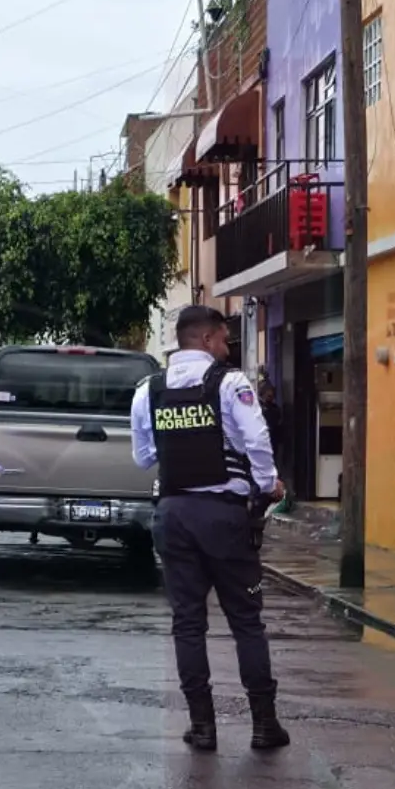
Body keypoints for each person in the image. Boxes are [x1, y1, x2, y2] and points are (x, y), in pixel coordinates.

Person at [130, 305, 290, 753]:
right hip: (224, 517)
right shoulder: (230, 383)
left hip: (174, 514)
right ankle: (263, 725)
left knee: (187, 623)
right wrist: (267, 485)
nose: (226, 349)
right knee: (246, 620)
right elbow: (257, 441)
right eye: (223, 340)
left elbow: (143, 458)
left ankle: (202, 727)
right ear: (204, 339)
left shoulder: (149, 390)